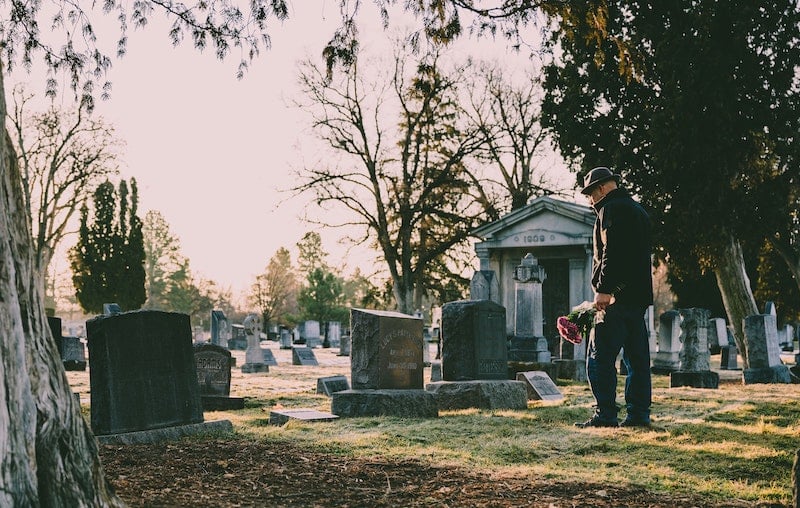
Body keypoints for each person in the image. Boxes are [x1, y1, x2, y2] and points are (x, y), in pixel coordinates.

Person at [575, 167, 654, 429]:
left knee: (599, 358)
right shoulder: (638, 211)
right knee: (637, 360)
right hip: (638, 298)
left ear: (600, 188)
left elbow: (613, 252)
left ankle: (605, 415)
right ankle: (638, 415)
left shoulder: (611, 210)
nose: (590, 200)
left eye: (590, 193)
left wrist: (604, 289)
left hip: (615, 299)